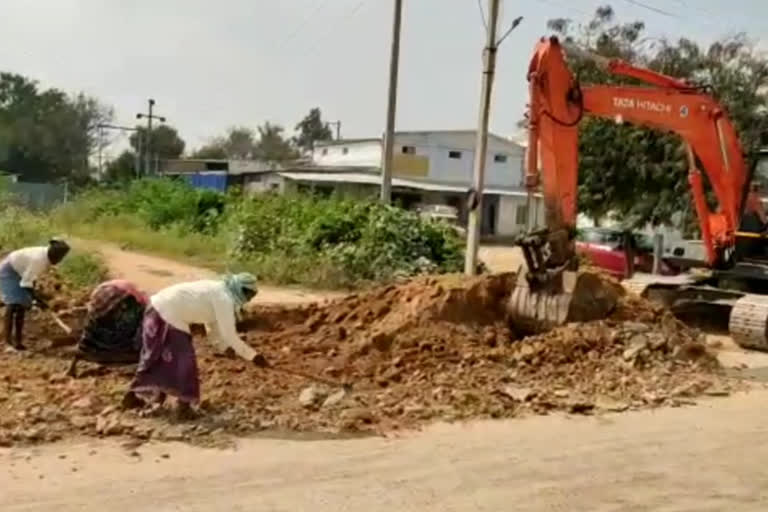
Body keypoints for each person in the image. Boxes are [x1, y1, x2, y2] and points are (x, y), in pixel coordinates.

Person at [122, 272, 269, 420]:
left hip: (154, 309)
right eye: (249, 295)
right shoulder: (224, 299)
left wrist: (224, 348)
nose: (249, 299)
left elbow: (213, 327)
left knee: (155, 357)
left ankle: (134, 395)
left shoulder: (218, 290)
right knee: (185, 362)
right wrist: (253, 356)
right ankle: (183, 407)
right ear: (241, 289)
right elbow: (229, 334)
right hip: (169, 315)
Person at [67, 279, 149, 377]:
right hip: (116, 298)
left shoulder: (110, 289)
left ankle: (74, 365)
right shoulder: (137, 299)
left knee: (92, 332)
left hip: (105, 296)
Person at [0, 239, 70, 350]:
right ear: (53, 254)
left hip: (19, 272)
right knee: (13, 304)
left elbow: (31, 279)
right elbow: (26, 284)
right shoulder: (39, 260)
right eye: (59, 257)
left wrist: (36, 298)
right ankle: (7, 342)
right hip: (9, 271)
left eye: (62, 257)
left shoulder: (45, 258)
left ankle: (18, 342)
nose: (60, 260)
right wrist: (38, 300)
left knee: (21, 306)